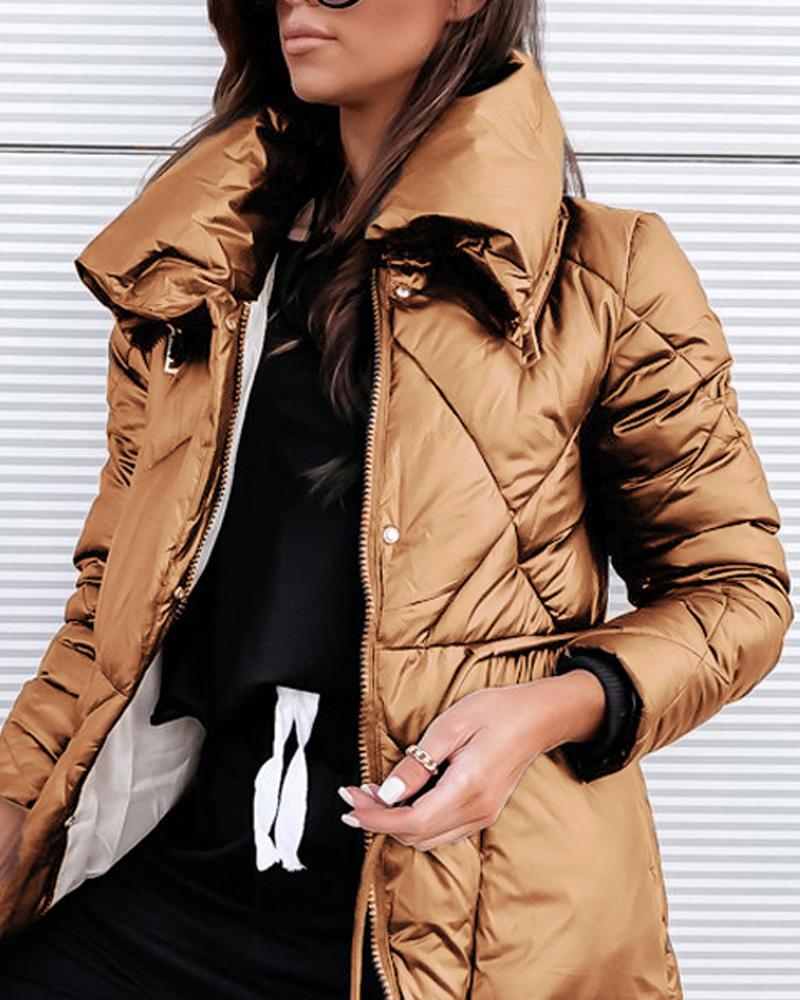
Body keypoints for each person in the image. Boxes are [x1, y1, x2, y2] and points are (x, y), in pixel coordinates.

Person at [0, 2, 793, 999]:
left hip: (458, 926)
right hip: (183, 890)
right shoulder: (202, 274)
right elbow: (112, 602)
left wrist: (543, 710)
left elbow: (736, 591)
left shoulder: (606, 276)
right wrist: (16, 803)